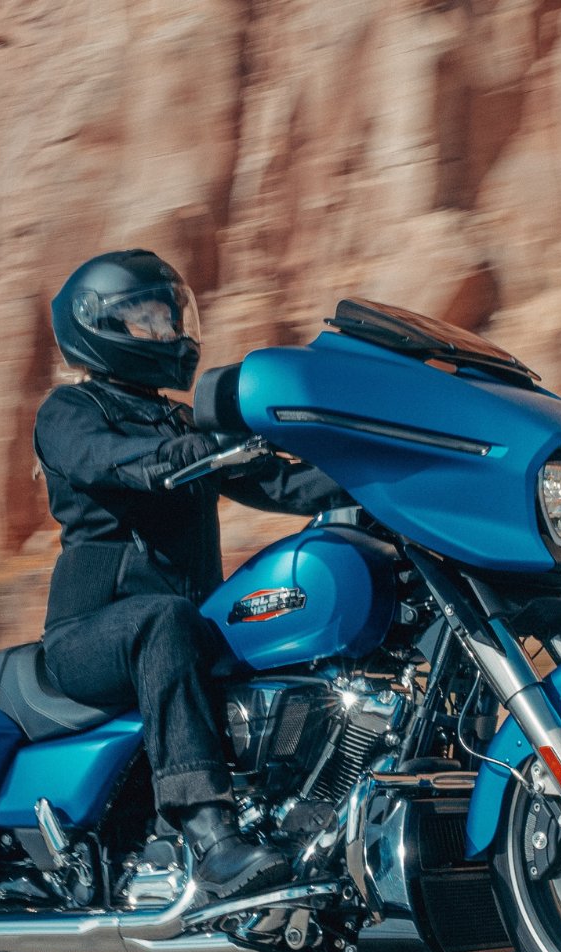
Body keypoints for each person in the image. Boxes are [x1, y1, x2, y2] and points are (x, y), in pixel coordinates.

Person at [33, 249, 347, 901]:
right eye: (147, 321)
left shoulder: (179, 424)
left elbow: (282, 483)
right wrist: (189, 450)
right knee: (166, 621)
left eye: (169, 319)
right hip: (90, 639)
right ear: (101, 328)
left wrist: (374, 481)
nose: (167, 334)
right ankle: (210, 840)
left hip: (179, 633)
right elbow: (106, 459)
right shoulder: (70, 412)